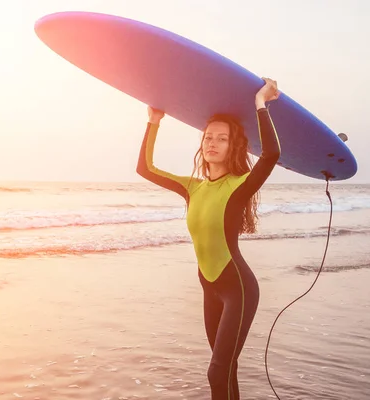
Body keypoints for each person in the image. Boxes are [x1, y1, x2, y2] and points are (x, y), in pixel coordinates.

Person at [136, 78, 281, 399]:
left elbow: (271, 154)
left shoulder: (239, 185)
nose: (212, 143)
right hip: (209, 287)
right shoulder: (192, 187)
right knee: (224, 371)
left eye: (222, 138)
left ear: (234, 146)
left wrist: (261, 102)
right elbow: (145, 169)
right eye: (207, 137)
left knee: (217, 371)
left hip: (238, 289)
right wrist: (154, 121)